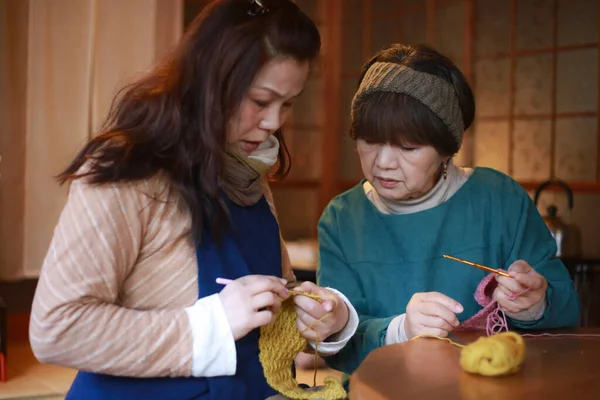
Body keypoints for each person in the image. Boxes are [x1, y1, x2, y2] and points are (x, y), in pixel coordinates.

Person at [29, 1, 358, 399]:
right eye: (260, 100)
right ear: (209, 82)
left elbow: (276, 297)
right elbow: (57, 328)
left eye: (287, 104)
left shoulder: (245, 169)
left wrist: (326, 318)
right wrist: (212, 325)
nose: (274, 123)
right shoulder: (126, 171)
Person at [316, 43, 580, 375]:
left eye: (407, 147)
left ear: (447, 150)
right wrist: (400, 330)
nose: (382, 163)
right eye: (369, 140)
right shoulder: (342, 219)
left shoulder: (498, 199)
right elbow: (335, 344)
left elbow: (569, 312)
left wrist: (535, 305)